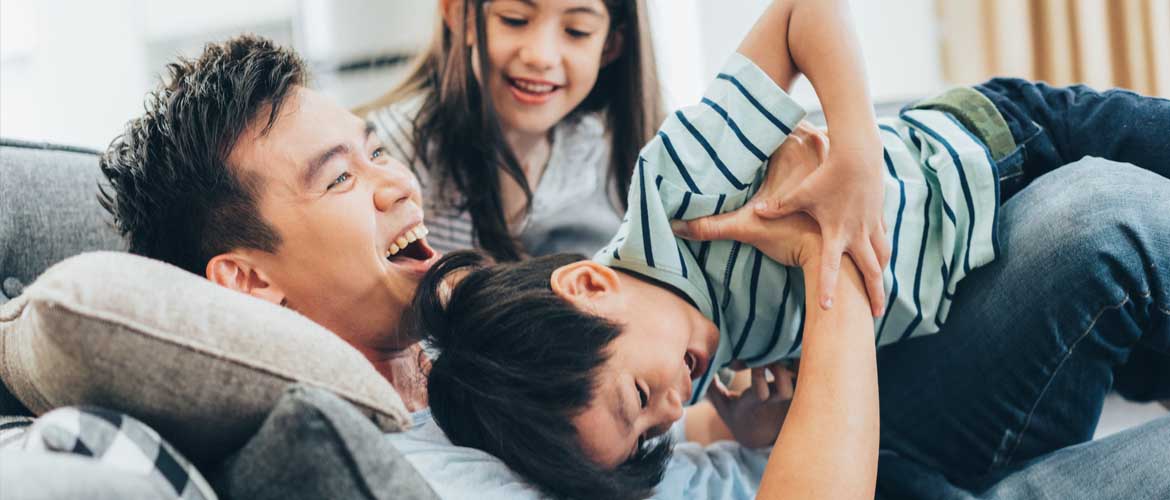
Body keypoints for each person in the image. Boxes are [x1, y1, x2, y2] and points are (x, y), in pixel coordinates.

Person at [98, 33, 1170, 500]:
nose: (395, 187)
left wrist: (722, 414)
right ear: (247, 282)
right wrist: (822, 265)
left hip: (837, 426)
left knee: (1096, 219)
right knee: (1106, 214)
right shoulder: (398, 466)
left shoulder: (443, 350)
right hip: (853, 469)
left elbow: (647, 434)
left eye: (378, 151)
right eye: (342, 179)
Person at [357, 0, 662, 261]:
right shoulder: (393, 154)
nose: (541, 56)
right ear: (460, 16)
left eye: (577, 31)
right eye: (514, 20)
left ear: (610, 45)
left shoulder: (591, 143)